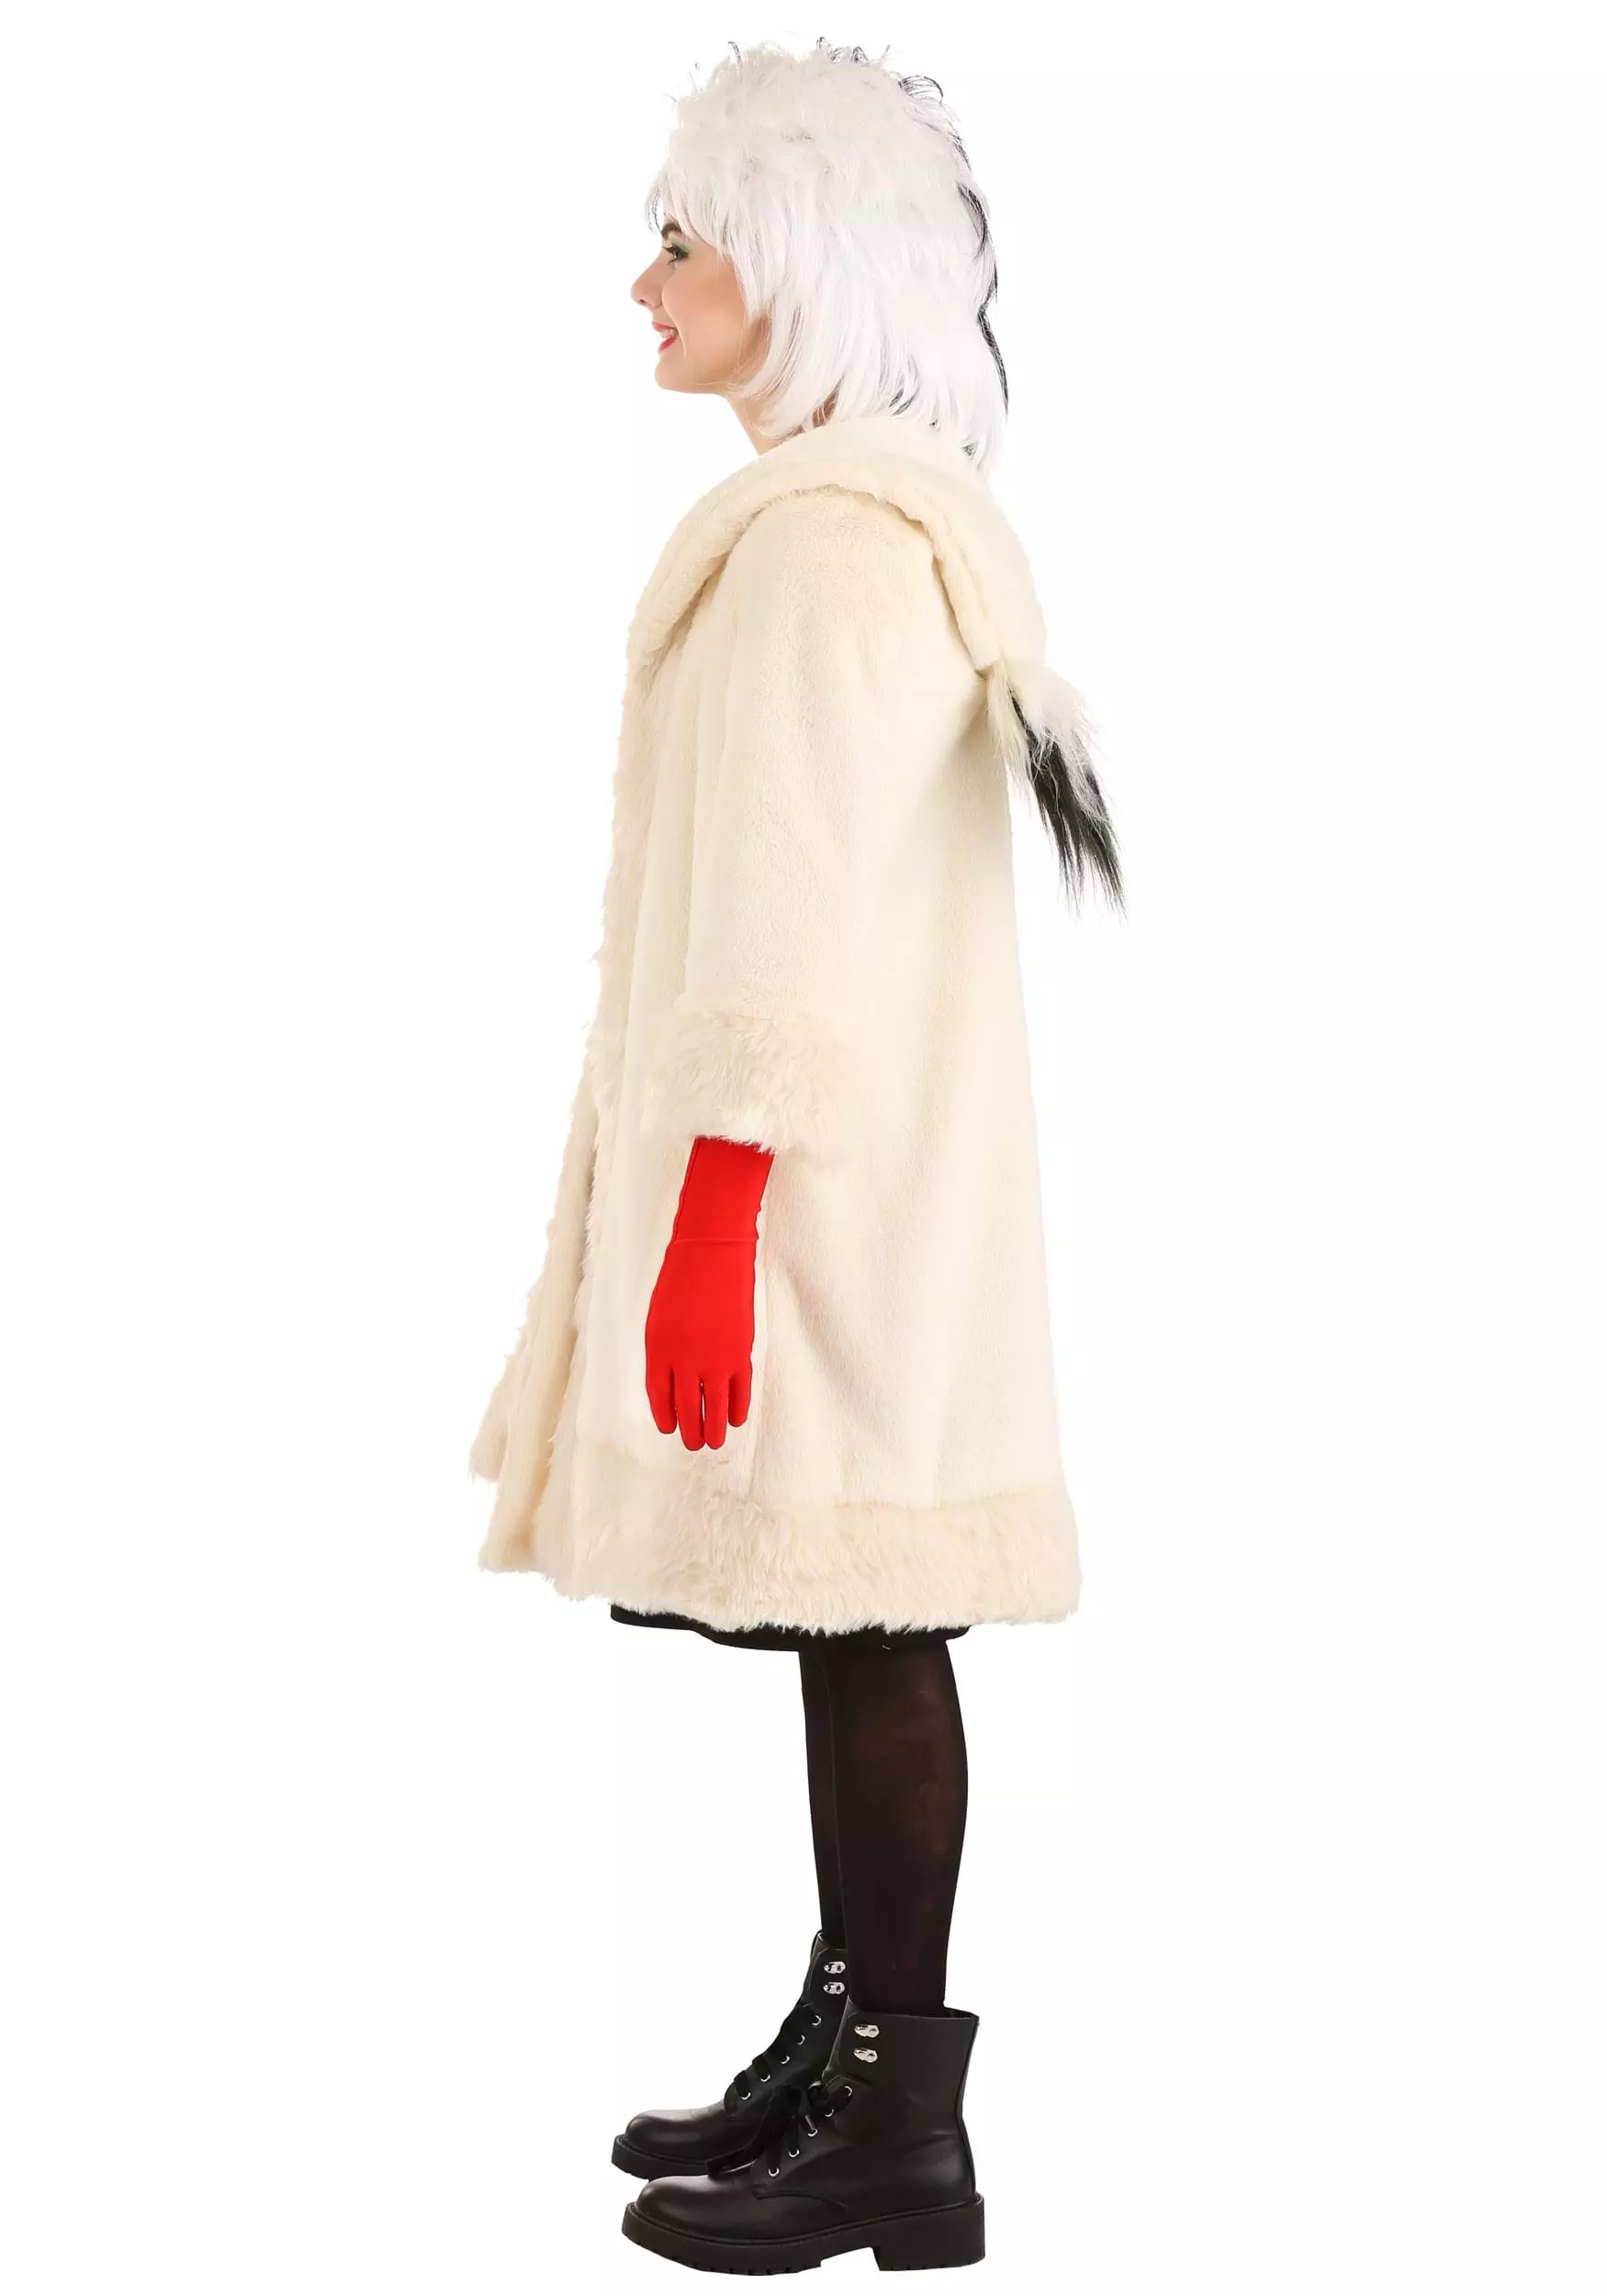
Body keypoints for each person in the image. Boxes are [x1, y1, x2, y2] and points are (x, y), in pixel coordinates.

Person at [469, 37, 1123, 2276]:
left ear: (797, 259)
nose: (641, 284)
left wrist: (713, 1213)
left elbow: (779, 913)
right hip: (877, 1186)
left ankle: (897, 2134)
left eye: (681, 242)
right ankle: (850, 2051)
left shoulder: (825, 554)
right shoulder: (857, 531)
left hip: (823, 1198)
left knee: (869, 1618)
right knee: (857, 1616)